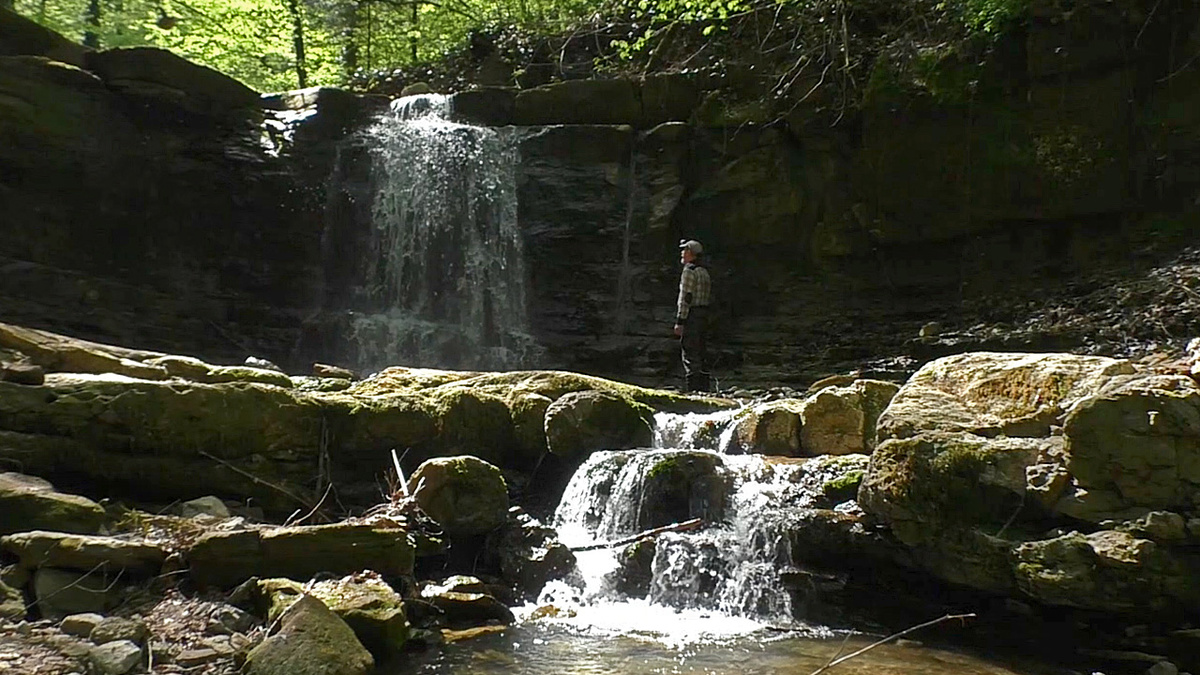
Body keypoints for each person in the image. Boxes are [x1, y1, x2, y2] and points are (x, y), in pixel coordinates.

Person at [674, 239, 712, 392]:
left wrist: (680, 321)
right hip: (704, 314)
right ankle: (704, 388)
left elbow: (686, 297)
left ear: (690, 253)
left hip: (692, 315)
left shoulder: (689, 271)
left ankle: (693, 390)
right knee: (701, 350)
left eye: (684, 250)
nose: (682, 253)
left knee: (690, 351)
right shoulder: (704, 271)